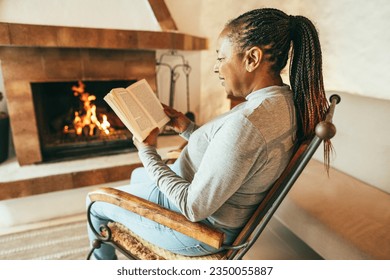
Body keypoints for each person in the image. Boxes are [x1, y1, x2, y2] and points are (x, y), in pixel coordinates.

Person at [87, 7, 330, 259]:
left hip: (197, 230)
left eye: (221, 58)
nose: (216, 68)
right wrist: (187, 129)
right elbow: (237, 157)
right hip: (208, 201)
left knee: (94, 203)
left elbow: (193, 208)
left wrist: (147, 151)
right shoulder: (284, 102)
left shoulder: (248, 124)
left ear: (252, 58)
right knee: (138, 176)